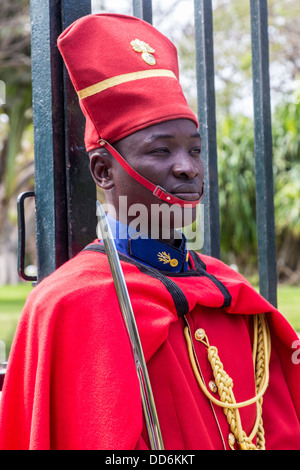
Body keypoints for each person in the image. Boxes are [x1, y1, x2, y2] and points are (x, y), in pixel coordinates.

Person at [0, 13, 299, 451]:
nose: (188, 166)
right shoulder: (67, 303)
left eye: (195, 150)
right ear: (103, 170)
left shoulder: (229, 291)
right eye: (161, 150)